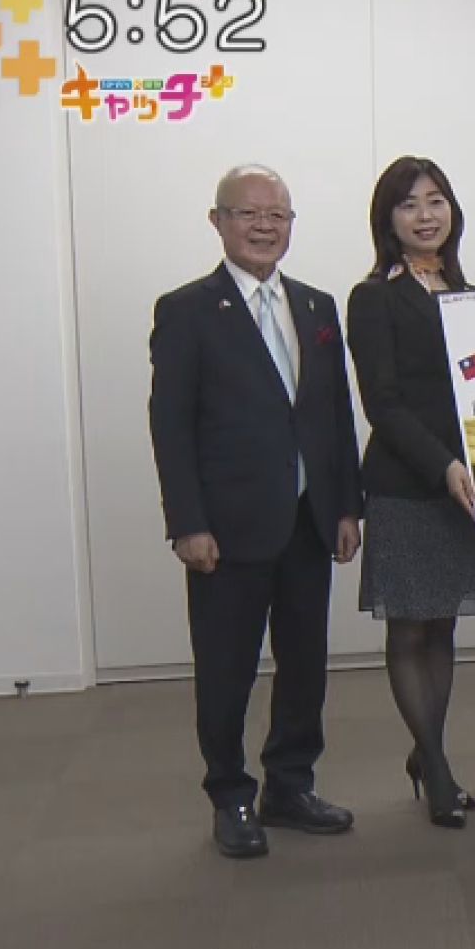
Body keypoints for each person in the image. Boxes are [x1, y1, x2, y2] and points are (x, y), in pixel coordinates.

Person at [148, 164, 362, 859]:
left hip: (307, 520)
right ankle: (230, 795)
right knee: (227, 670)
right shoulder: (187, 311)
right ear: (218, 222)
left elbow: (334, 416)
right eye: (248, 213)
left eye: (278, 215)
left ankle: (290, 786)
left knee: (304, 665)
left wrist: (346, 506)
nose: (265, 226)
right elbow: (171, 425)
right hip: (226, 528)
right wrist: (187, 522)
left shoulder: (316, 307)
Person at [346, 156, 475, 827]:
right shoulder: (373, 297)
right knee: (410, 626)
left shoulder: (471, 295)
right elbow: (382, 403)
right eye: (409, 204)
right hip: (407, 484)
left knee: (443, 625)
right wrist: (443, 465)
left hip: (466, 486)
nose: (425, 214)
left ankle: (427, 751)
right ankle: (436, 767)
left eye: (436, 200)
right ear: (388, 219)